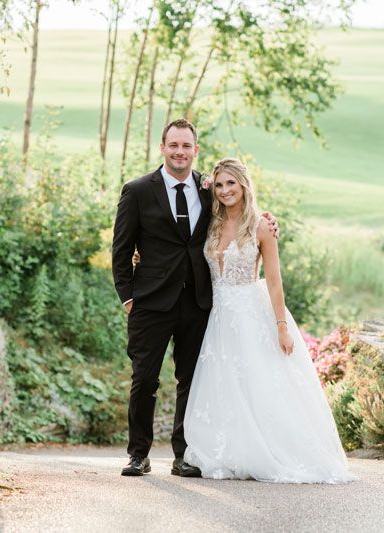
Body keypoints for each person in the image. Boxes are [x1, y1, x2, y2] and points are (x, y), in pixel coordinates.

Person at [111, 119, 277, 477]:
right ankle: (138, 454)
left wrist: (269, 220)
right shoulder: (137, 191)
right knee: (145, 379)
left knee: (193, 380)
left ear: (195, 150)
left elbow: (239, 214)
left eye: (186, 146)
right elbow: (121, 250)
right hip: (150, 303)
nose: (180, 152)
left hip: (200, 302)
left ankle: (184, 454)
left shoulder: (208, 189)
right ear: (162, 147)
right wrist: (128, 297)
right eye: (173, 145)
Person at [183, 158, 353, 483]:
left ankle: (270, 451)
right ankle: (230, 451)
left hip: (251, 312)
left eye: (231, 183)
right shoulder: (211, 224)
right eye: (219, 185)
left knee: (259, 382)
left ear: (244, 185)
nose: (225, 190)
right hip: (218, 315)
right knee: (225, 384)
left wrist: (281, 327)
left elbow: (274, 281)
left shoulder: (262, 226)